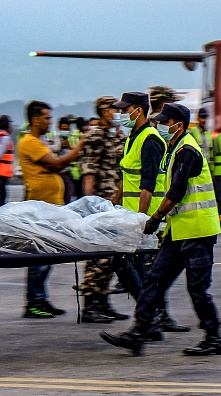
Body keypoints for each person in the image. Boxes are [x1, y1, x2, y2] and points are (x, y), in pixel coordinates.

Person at [100, 103, 221, 356]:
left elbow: (176, 192)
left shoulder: (187, 150)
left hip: (198, 231)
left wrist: (156, 216)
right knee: (155, 281)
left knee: (197, 288)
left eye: (165, 122)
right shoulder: (173, 148)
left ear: (178, 125)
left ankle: (214, 338)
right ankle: (139, 333)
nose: (161, 126)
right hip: (179, 231)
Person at [114, 92, 189, 334]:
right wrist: (113, 205)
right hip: (130, 215)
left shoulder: (150, 139)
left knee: (139, 267)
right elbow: (128, 178)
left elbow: (148, 184)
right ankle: (153, 318)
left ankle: (153, 319)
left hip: (144, 218)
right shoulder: (133, 137)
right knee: (131, 266)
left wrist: (143, 221)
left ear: (138, 109)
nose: (121, 114)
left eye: (125, 110)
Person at [17, 101, 84, 318]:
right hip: (40, 209)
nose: (50, 122)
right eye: (47, 118)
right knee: (39, 258)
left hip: (49, 207)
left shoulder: (39, 142)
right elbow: (56, 164)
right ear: (35, 119)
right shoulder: (29, 142)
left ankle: (41, 299)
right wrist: (79, 148)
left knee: (47, 257)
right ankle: (34, 303)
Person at [79, 97, 128, 323]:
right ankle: (90, 305)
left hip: (116, 201)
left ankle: (103, 301)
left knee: (111, 256)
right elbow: (89, 170)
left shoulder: (116, 134)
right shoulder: (95, 135)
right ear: (102, 111)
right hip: (101, 202)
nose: (117, 113)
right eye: (113, 109)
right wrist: (89, 204)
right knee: (97, 257)